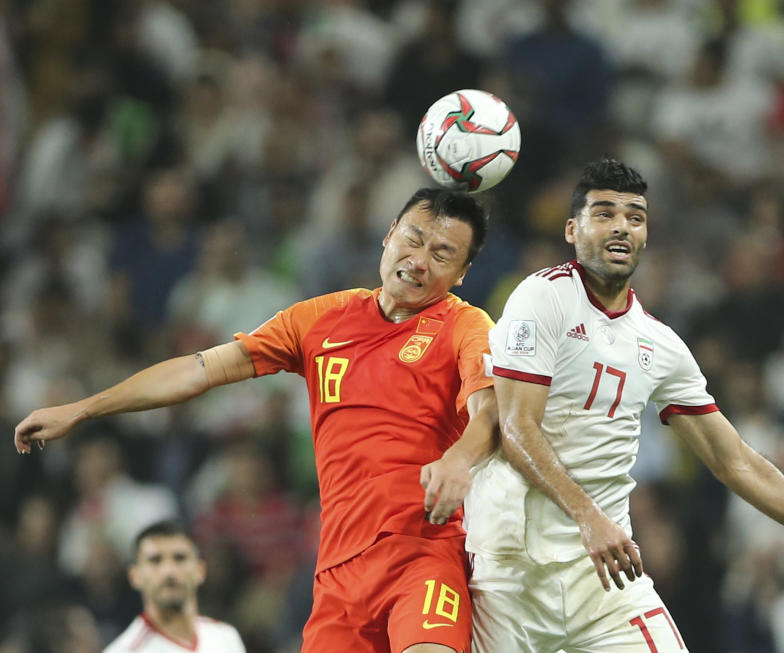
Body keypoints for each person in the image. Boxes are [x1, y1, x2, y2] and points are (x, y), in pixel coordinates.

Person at [15, 187, 499, 653]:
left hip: (425, 553)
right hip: (338, 575)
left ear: (462, 272)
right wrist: (84, 407)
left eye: (442, 253)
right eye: (413, 239)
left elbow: (492, 410)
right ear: (389, 234)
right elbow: (198, 370)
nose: (418, 260)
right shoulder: (321, 319)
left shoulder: (465, 325)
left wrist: (459, 460)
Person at [465, 158, 784, 653]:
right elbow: (517, 428)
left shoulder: (659, 343)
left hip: (603, 580)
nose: (622, 226)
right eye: (604, 213)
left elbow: (735, 461)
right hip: (511, 571)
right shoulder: (541, 299)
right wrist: (588, 515)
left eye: (635, 216)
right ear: (572, 229)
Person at [104, 520, 246, 652]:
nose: (169, 571)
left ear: (200, 570)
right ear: (135, 576)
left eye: (180, 558)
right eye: (155, 560)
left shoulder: (226, 637)